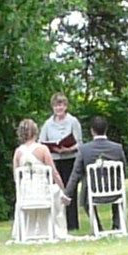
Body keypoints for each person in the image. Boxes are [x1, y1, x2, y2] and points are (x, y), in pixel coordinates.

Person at [63, 115, 128, 232]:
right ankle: (117, 224)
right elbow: (123, 171)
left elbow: (76, 174)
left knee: (84, 193)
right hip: (115, 191)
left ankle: (97, 226)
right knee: (119, 187)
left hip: (92, 193)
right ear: (106, 129)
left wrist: (67, 194)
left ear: (92, 131)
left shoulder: (84, 149)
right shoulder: (117, 148)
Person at [11, 118, 67, 240]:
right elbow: (54, 173)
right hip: (42, 193)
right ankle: (55, 228)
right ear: (36, 131)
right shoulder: (42, 149)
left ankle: (27, 231)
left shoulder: (18, 152)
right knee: (57, 192)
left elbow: (16, 177)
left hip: (26, 194)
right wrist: (63, 189)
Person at [39, 93, 84, 231]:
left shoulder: (73, 121)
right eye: (56, 105)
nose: (59, 108)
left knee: (70, 191)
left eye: (61, 105)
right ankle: (57, 225)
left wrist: (68, 148)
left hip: (70, 159)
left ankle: (72, 224)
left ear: (66, 106)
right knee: (56, 191)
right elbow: (41, 143)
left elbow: (80, 143)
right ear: (52, 107)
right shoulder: (47, 124)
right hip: (54, 161)